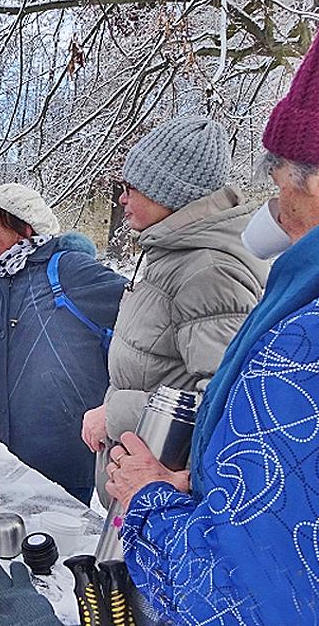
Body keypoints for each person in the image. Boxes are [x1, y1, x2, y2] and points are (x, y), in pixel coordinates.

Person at [105, 0, 319, 623]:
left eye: (280, 181)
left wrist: (150, 499)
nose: (276, 203)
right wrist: (222, 484)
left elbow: (242, 597)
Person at [80, 116, 268, 505]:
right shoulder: (172, 255)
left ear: (169, 192)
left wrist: (113, 412)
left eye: (131, 187)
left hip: (172, 503)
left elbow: (226, 408)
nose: (121, 198)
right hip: (143, 494)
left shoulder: (208, 273)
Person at [0, 183, 126, 505]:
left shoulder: (67, 269)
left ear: (24, 229)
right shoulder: (0, 282)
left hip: (63, 452)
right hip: (7, 450)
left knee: (56, 546)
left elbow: (145, 316)